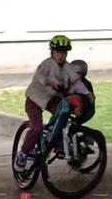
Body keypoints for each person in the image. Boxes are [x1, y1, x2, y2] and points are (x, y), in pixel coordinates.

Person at [19, 34, 74, 171]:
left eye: (64, 52)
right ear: (52, 52)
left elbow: (75, 81)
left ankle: (55, 140)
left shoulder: (67, 67)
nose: (61, 56)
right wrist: (51, 82)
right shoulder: (46, 64)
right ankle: (23, 154)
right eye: (57, 52)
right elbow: (41, 77)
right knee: (36, 128)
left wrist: (86, 93)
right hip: (35, 99)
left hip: (51, 99)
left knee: (64, 116)